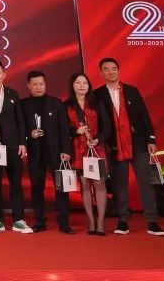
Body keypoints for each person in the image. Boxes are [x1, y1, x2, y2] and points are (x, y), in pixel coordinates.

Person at [93, 57, 164, 236]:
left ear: (118, 70)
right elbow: (98, 122)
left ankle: (152, 221)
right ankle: (123, 220)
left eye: (113, 68)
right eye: (106, 69)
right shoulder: (97, 94)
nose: (111, 72)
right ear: (101, 73)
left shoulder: (132, 91)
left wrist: (151, 139)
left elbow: (144, 116)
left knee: (146, 182)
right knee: (119, 185)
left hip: (138, 143)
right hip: (114, 145)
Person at [0, 60, 33, 234]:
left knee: (16, 183)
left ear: (4, 75)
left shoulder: (12, 94)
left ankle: (18, 220)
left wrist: (23, 143)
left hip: (13, 145)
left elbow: (20, 120)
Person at [20, 70, 74, 234]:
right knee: (37, 187)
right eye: (35, 84)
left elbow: (64, 129)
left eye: (41, 84)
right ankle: (40, 221)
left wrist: (66, 150)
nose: (38, 87)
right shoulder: (23, 104)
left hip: (56, 152)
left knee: (61, 187)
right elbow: (21, 127)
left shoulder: (56, 103)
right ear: (29, 86)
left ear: (45, 84)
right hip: (35, 152)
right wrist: (30, 134)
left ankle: (64, 222)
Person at [65, 72, 113, 236]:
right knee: (85, 186)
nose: (81, 86)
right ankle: (91, 221)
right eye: (78, 83)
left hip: (96, 149)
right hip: (78, 150)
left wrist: (98, 139)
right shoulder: (67, 105)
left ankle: (100, 222)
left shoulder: (97, 103)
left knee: (99, 185)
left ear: (89, 85)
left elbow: (107, 127)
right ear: (73, 86)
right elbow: (63, 128)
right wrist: (75, 130)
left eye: (84, 83)